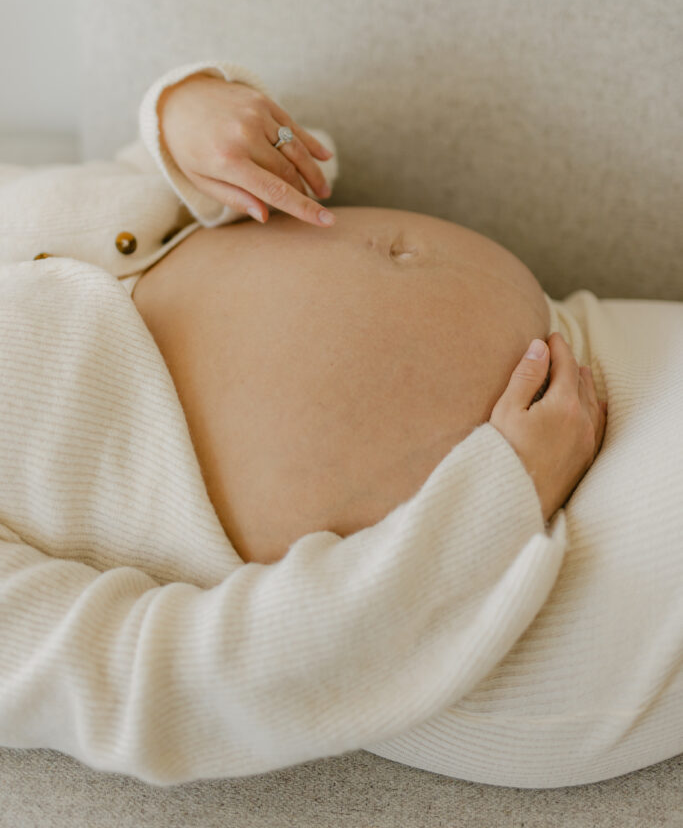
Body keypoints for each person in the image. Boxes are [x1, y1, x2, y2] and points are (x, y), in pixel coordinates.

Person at [0, 60, 680, 789]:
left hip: (579, 343)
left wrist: (183, 118)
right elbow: (157, 691)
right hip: (524, 577)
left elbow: (169, 193)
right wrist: (498, 495)